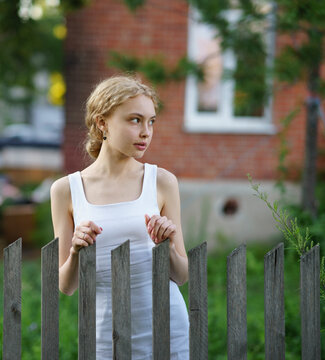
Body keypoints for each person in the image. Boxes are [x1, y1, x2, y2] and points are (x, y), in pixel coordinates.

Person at [50, 75, 190, 359]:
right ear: (102, 123)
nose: (146, 132)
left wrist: (167, 242)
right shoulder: (66, 190)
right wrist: (77, 251)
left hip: (166, 326)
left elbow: (182, 275)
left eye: (151, 121)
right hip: (104, 333)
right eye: (134, 120)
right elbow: (65, 286)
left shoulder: (162, 182)